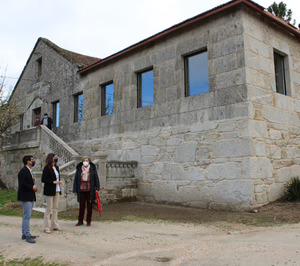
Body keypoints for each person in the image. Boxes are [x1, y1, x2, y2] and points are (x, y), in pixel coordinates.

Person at [73, 157, 100, 226]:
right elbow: (76, 179)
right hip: (81, 189)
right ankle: (80, 221)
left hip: (90, 190)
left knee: (89, 206)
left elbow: (96, 178)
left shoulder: (92, 169)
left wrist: (97, 188)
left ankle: (88, 221)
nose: (85, 161)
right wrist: (75, 190)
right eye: (84, 160)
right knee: (81, 206)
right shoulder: (79, 169)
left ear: (89, 162)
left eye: (86, 160)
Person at [17, 155, 38, 244]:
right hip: (25, 196)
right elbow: (22, 184)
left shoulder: (30, 171)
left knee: (27, 215)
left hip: (30, 196)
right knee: (27, 215)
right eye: (32, 160)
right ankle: (27, 234)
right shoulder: (23, 171)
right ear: (28, 161)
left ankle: (24, 233)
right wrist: (32, 187)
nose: (33, 161)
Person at [42, 153, 62, 233]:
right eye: (54, 157)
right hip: (50, 189)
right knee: (49, 209)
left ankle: (55, 225)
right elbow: (43, 179)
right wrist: (53, 182)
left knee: (56, 208)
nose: (56, 158)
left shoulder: (56, 167)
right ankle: (46, 227)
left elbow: (57, 177)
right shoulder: (47, 168)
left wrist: (58, 182)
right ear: (51, 158)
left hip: (57, 189)